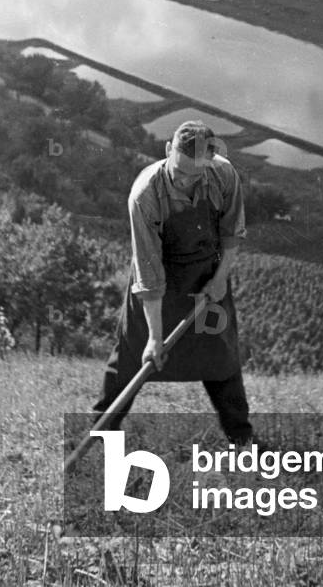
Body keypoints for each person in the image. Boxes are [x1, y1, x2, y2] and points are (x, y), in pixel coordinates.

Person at [93, 119, 253, 445]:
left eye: (193, 176)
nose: (184, 182)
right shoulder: (145, 195)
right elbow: (148, 271)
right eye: (178, 172)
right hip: (158, 281)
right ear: (168, 151)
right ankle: (100, 434)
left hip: (207, 276)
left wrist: (220, 279)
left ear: (208, 162)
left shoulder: (224, 175)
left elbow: (231, 232)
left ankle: (241, 438)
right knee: (132, 356)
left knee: (221, 356)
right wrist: (154, 336)